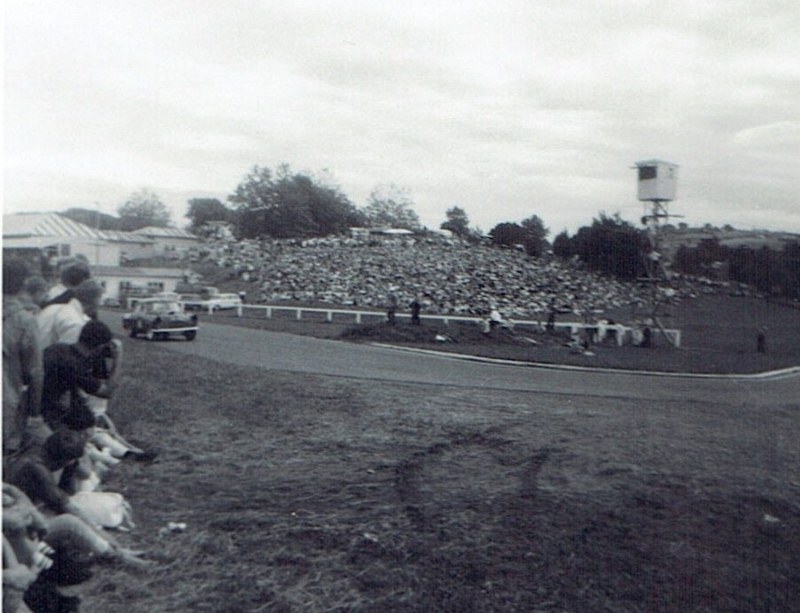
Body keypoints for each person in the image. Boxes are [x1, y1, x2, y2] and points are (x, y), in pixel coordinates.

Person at [3, 259, 49, 455]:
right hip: (6, 402)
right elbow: (35, 372)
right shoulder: (25, 320)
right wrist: (34, 412)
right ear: (23, 285)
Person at [41, 321, 119, 431]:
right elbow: (107, 392)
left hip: (31, 402)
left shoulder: (57, 348)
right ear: (100, 347)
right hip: (45, 414)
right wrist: (118, 359)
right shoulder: (75, 366)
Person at [38, 279, 103, 349]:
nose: (100, 303)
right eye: (100, 299)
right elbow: (66, 355)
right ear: (95, 300)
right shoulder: (76, 322)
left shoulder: (51, 308)